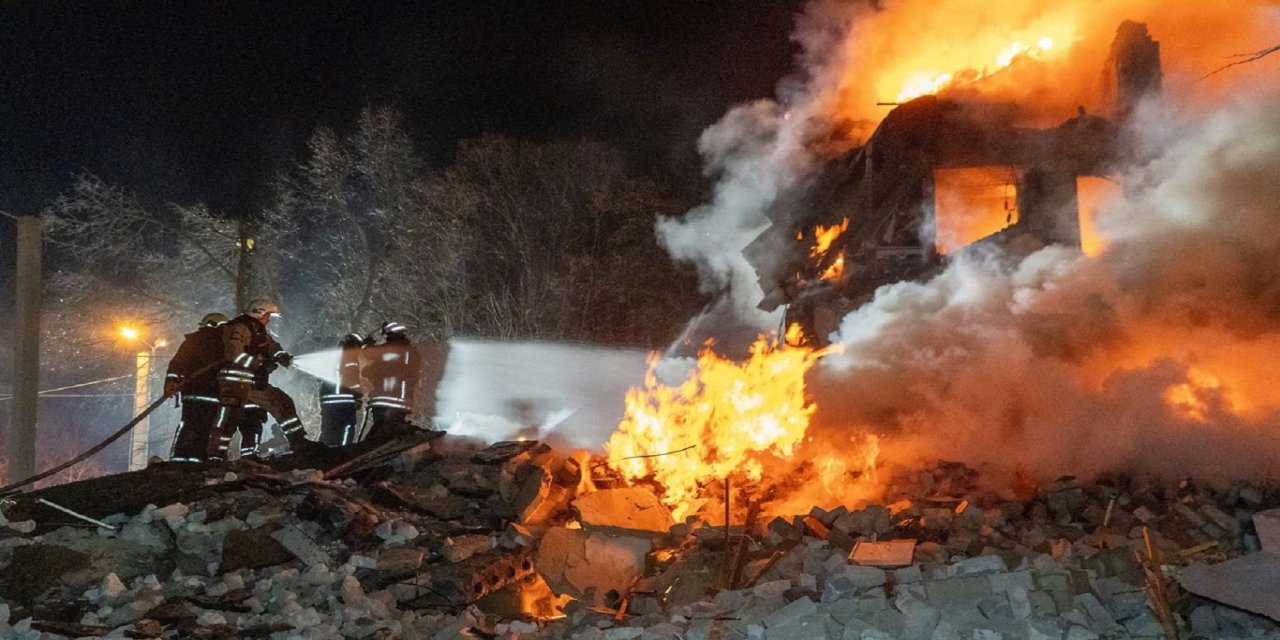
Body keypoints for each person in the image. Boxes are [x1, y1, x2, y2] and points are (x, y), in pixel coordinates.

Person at [210, 298, 321, 459]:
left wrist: (282, 356)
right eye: (268, 315)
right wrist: (259, 365)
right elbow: (233, 354)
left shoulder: (258, 330)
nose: (269, 319)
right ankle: (215, 455)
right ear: (259, 313)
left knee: (282, 403)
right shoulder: (240, 328)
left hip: (251, 382)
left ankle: (299, 442)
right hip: (234, 382)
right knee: (229, 419)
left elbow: (272, 347)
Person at [164, 312, 229, 462]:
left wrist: (171, 382)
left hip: (192, 392)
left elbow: (176, 365)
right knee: (206, 427)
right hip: (213, 393)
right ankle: (197, 458)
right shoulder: (225, 344)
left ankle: (179, 457)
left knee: (189, 424)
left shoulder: (191, 341)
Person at [362, 321, 421, 443]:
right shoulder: (411, 352)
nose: (387, 338)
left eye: (387, 335)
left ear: (391, 334)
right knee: (392, 430)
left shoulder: (391, 349)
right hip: (403, 400)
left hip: (386, 399)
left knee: (381, 432)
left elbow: (371, 355)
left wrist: (367, 344)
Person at [319, 333, 366, 446]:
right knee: (347, 429)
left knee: (328, 429)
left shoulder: (332, 357)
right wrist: (358, 397)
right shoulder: (350, 358)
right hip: (344, 402)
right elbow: (353, 380)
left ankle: (323, 454)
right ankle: (342, 453)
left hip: (328, 403)